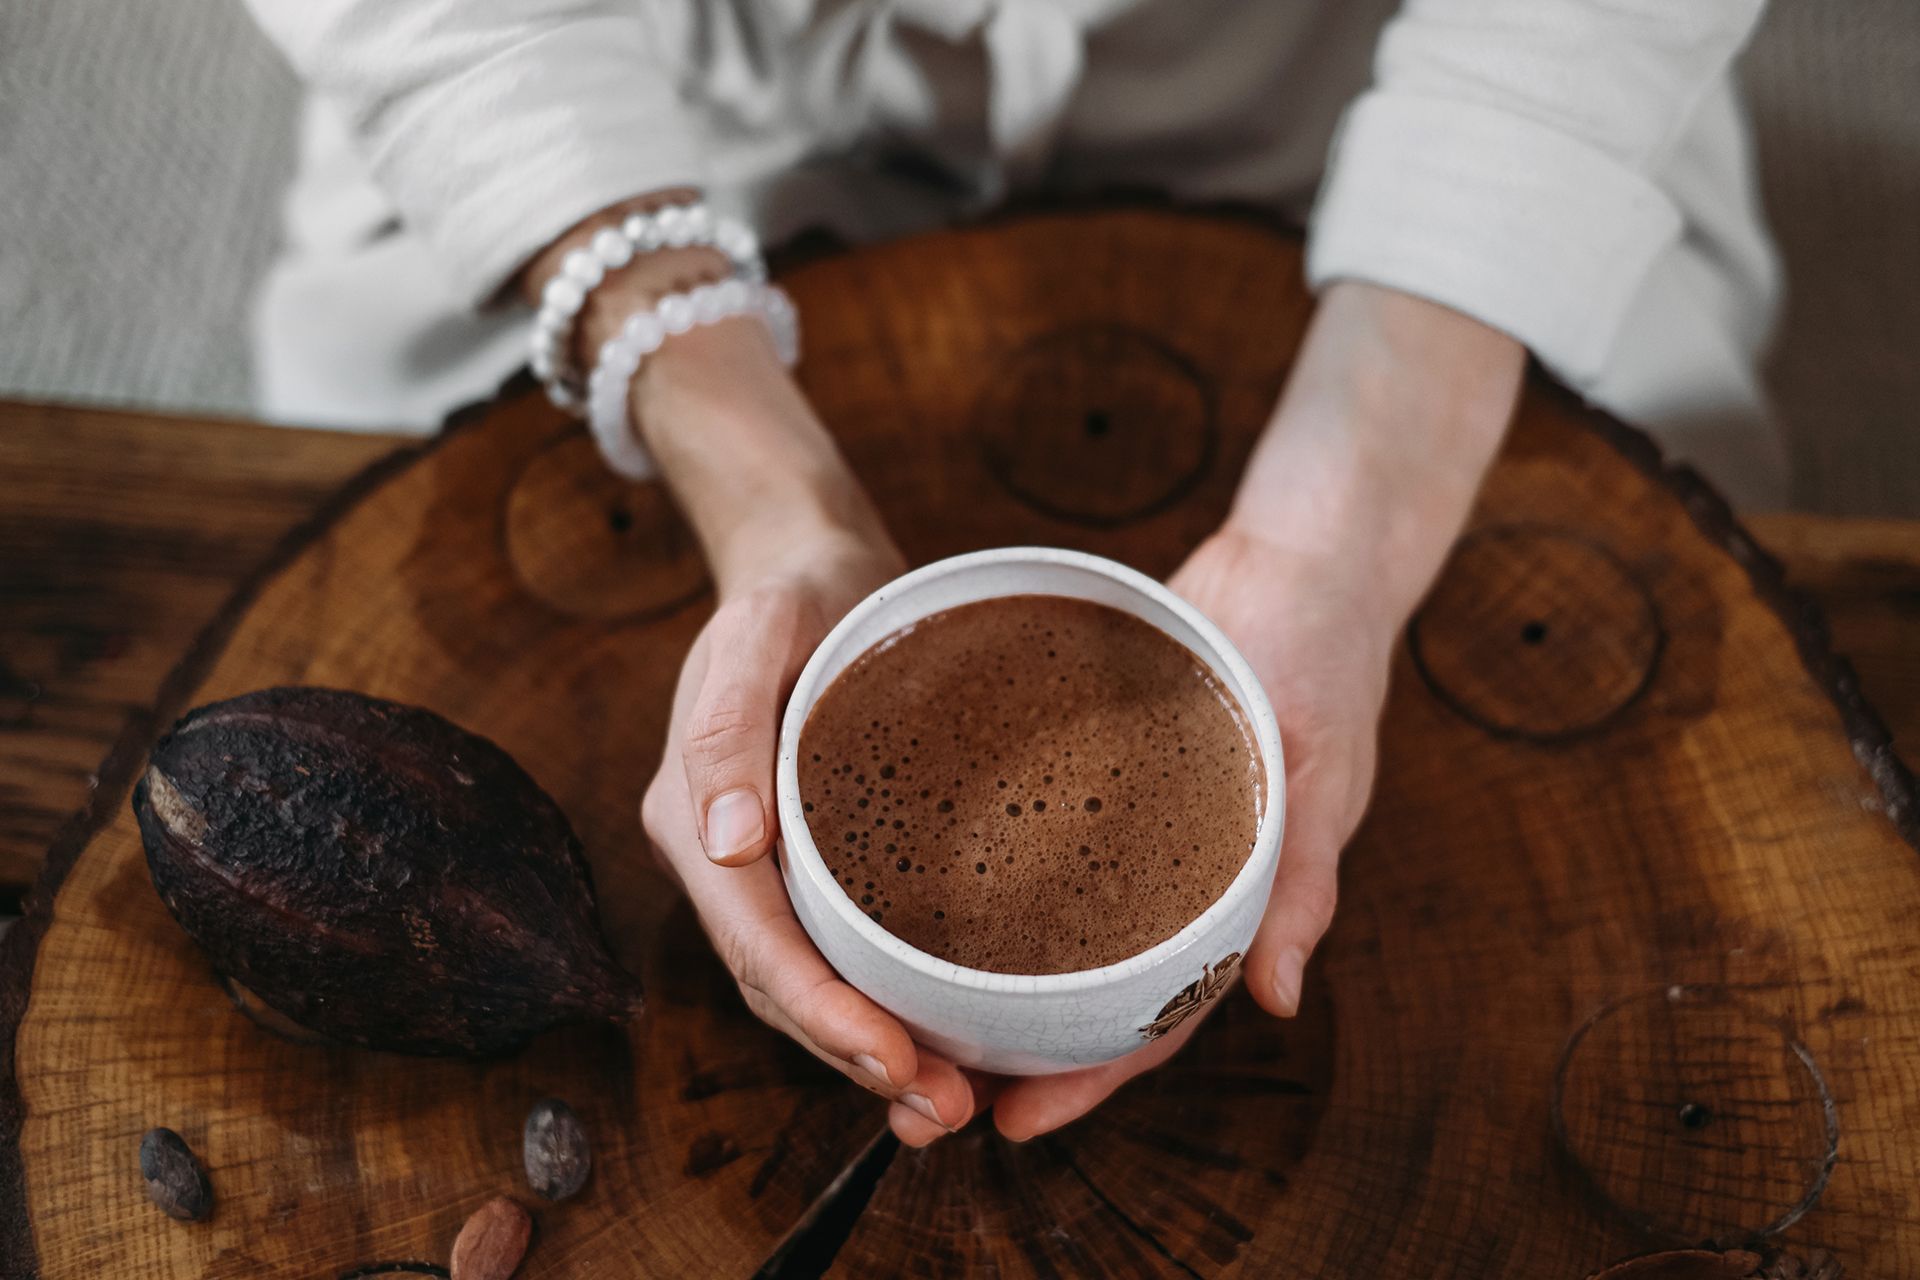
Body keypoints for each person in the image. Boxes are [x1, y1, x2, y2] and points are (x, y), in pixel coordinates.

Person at [242, 0, 1786, 1146]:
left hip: (1383, 89)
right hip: (643, 94)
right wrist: (768, 494)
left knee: (1684, 517)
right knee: (378, 518)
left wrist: (1345, 530)